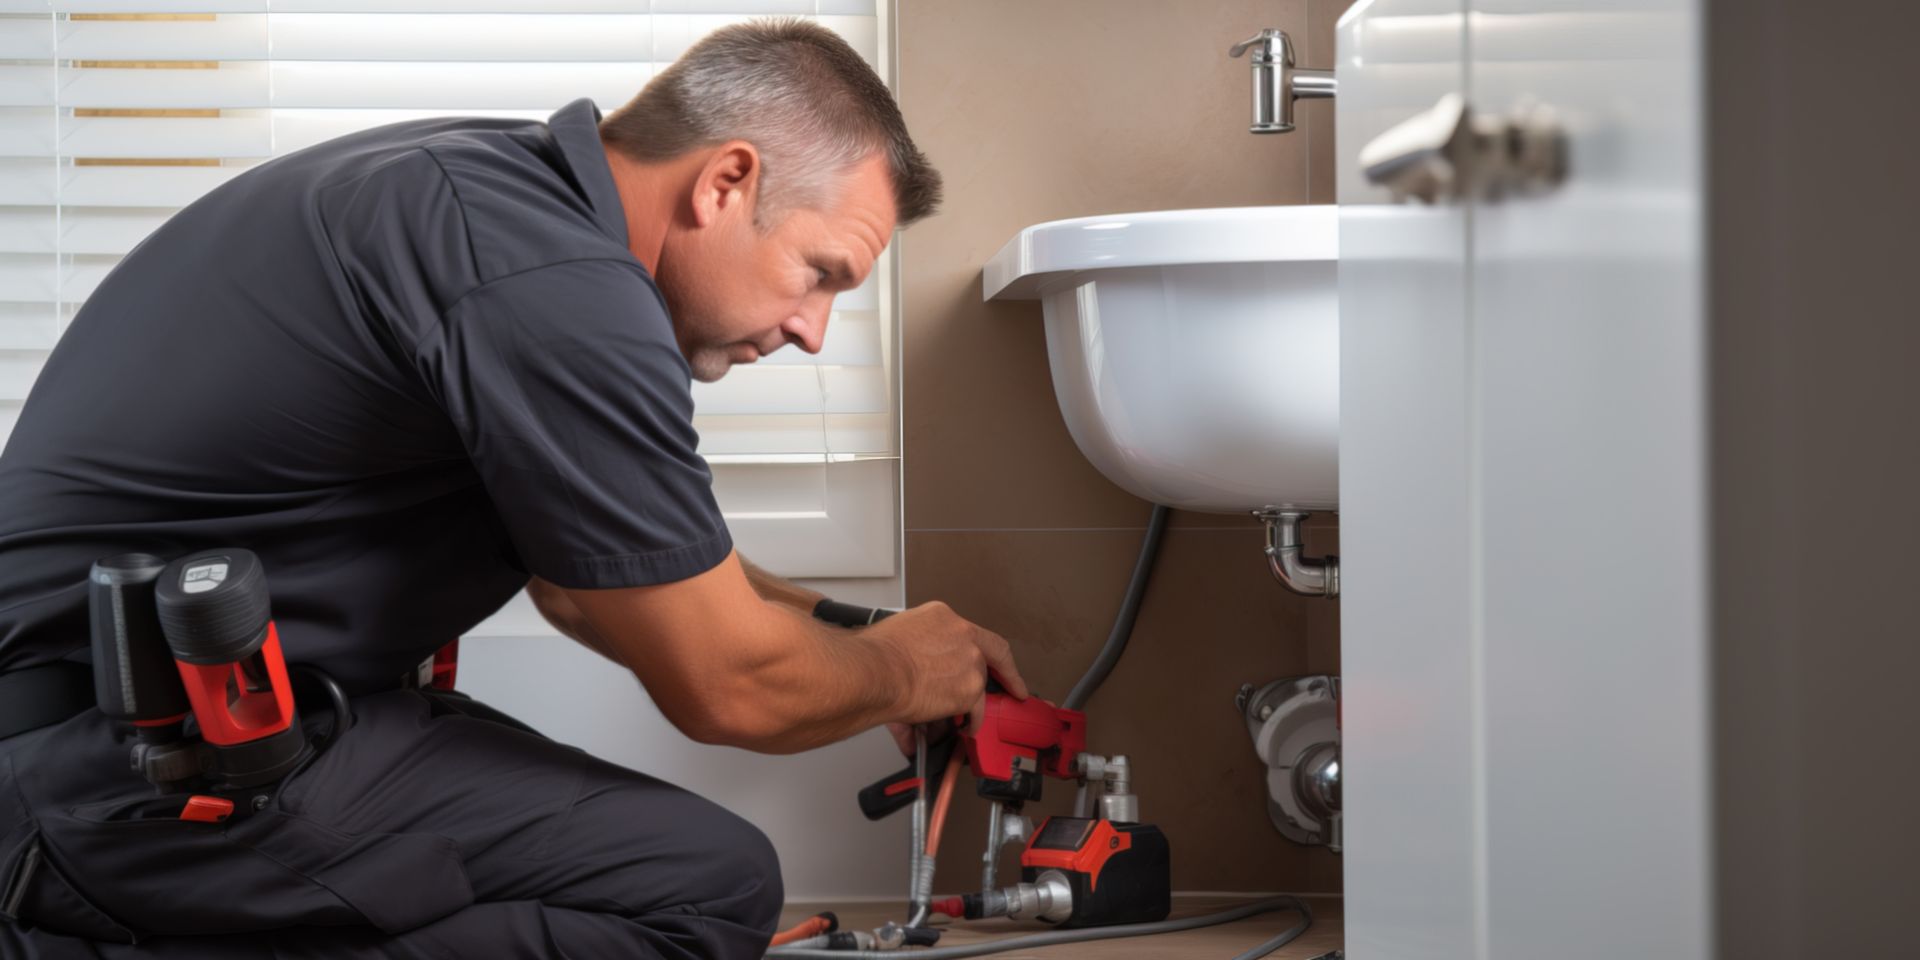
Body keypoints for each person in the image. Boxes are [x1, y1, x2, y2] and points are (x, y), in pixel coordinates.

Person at [0, 18, 1026, 959]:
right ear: (726, 183)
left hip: (165, 736)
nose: (813, 330)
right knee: (709, 892)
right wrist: (904, 673)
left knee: (680, 872)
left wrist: (863, 629)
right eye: (822, 272)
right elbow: (731, 686)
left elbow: (593, 576)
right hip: (105, 775)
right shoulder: (554, 288)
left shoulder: (501, 203)